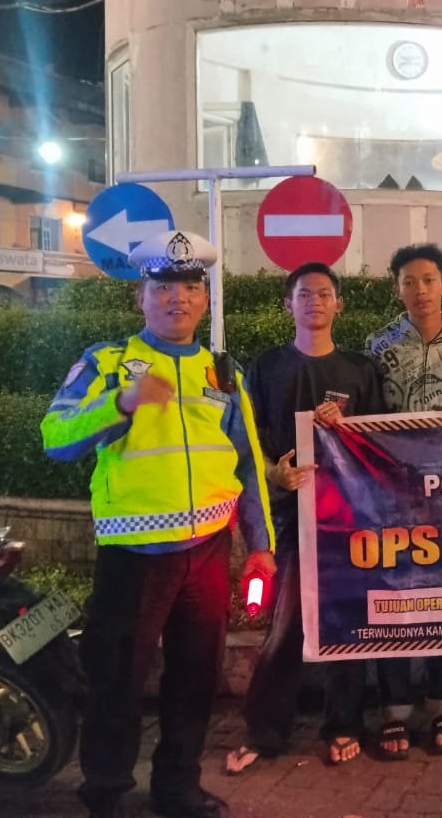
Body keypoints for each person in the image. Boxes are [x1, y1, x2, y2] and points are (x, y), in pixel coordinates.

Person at [41, 230, 276, 818]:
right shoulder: (108, 362)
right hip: (135, 554)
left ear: (206, 299)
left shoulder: (222, 372)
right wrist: (120, 403)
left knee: (196, 679)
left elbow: (248, 463)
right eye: (164, 286)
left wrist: (261, 545)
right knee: (118, 679)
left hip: (207, 551)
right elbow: (56, 437)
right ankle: (106, 790)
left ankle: (177, 787)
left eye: (191, 286)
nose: (178, 297)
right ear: (140, 297)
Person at [226, 262, 384, 774]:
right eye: (304, 294)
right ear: (288, 304)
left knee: (348, 622)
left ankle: (344, 725)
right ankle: (265, 731)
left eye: (324, 293)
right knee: (286, 623)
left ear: (339, 304)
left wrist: (347, 432)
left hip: (347, 516)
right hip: (289, 517)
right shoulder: (267, 366)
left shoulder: (360, 371)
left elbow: (381, 441)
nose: (314, 301)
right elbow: (248, 440)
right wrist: (275, 472)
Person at [364, 243, 442, 756]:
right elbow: (364, 417)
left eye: (429, 280)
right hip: (395, 494)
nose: (420, 290)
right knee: (394, 592)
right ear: (397, 290)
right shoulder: (378, 347)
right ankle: (394, 708)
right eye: (409, 282)